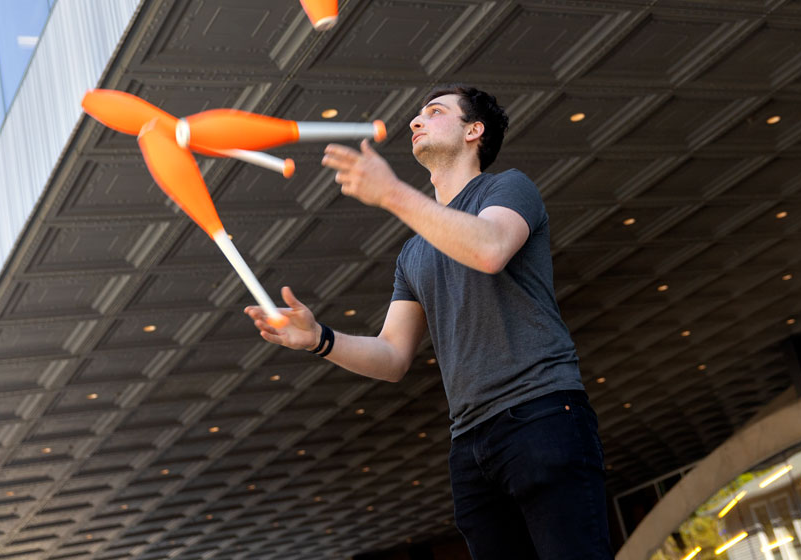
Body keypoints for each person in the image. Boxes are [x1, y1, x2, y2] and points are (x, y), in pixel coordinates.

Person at [246, 86, 612, 559]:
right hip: (470, 445)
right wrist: (320, 339)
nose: (416, 121)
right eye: (417, 115)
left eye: (434, 112)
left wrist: (394, 193)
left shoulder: (507, 188)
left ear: (473, 131)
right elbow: (394, 355)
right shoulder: (414, 253)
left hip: (540, 412)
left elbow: (489, 249)